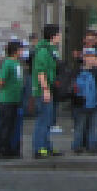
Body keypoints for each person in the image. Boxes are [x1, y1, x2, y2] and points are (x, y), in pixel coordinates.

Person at [30, 24, 62, 159]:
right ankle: (39, 147)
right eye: (58, 34)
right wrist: (45, 89)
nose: (60, 37)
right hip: (43, 89)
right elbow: (41, 71)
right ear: (53, 36)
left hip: (49, 87)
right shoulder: (43, 51)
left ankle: (46, 144)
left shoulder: (51, 50)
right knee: (43, 119)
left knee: (48, 119)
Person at [0, 40, 24, 159]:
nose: (22, 52)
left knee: (11, 125)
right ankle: (2, 148)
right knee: (5, 125)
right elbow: (0, 81)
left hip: (15, 98)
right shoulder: (8, 63)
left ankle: (9, 146)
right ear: (15, 51)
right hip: (7, 98)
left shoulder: (17, 63)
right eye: (20, 50)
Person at [71, 50, 97, 154]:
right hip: (80, 103)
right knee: (80, 126)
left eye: (92, 56)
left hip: (95, 102)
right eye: (87, 56)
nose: (90, 59)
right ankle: (77, 145)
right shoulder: (77, 71)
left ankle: (92, 146)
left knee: (94, 126)